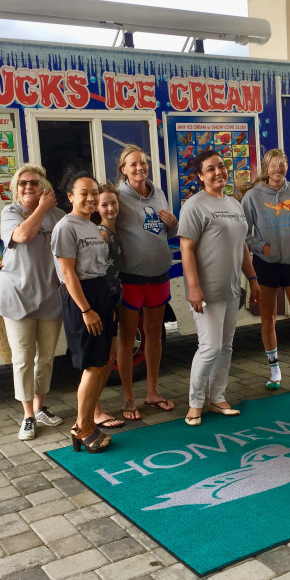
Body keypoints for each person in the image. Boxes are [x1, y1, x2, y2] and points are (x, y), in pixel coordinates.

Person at [178, 150, 261, 426]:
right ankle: (195, 403)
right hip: (207, 292)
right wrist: (193, 288)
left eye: (222, 167)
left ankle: (218, 398)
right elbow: (186, 249)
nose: (218, 172)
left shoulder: (235, 204)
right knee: (210, 347)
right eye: (211, 169)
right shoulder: (194, 205)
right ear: (200, 177)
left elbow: (243, 248)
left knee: (226, 347)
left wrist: (252, 279)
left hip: (231, 289)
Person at [51, 174, 123, 454]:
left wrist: (105, 305)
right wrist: (87, 309)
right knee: (92, 365)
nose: (91, 198)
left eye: (94, 192)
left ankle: (87, 424)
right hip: (81, 296)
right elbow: (68, 274)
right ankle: (82, 427)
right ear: (70, 196)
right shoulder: (66, 227)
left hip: (99, 291)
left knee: (103, 360)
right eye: (84, 193)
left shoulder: (91, 226)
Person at [241, 149, 290, 393]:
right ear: (266, 169)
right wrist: (261, 247)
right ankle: (275, 372)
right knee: (268, 319)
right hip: (265, 265)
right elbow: (243, 233)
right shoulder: (253, 196)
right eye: (274, 165)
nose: (279, 169)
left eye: (283, 165)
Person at [0, 164, 66, 441]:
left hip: (50, 296)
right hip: (17, 296)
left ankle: (40, 407)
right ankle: (27, 415)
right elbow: (23, 236)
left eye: (35, 183)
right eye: (23, 183)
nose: (28, 187)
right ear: (16, 188)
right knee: (23, 359)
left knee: (46, 359)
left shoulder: (60, 216)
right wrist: (41, 208)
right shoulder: (10, 213)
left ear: (44, 188)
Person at [114, 145, 177, 421]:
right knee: (127, 338)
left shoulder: (159, 192)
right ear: (123, 170)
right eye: (133, 164)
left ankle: (152, 392)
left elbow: (169, 229)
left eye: (143, 163)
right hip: (131, 278)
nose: (140, 168)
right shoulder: (117, 197)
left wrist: (174, 223)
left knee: (154, 333)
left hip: (160, 274)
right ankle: (129, 399)